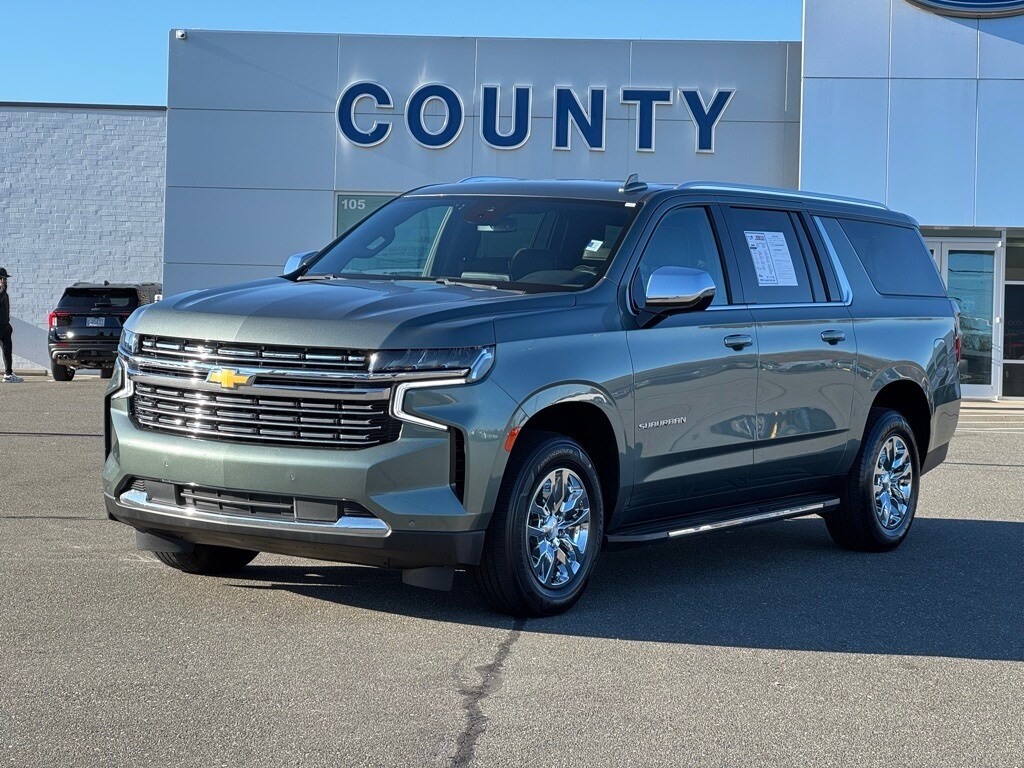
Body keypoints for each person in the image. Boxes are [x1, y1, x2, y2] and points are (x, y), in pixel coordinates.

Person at [0, 268, 24, 383]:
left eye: (4, 279)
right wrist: (3, 287)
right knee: (6, 349)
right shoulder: (1, 292)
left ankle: (8, 373)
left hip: (5, 326)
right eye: (3, 279)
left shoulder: (3, 291)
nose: (4, 281)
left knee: (7, 350)